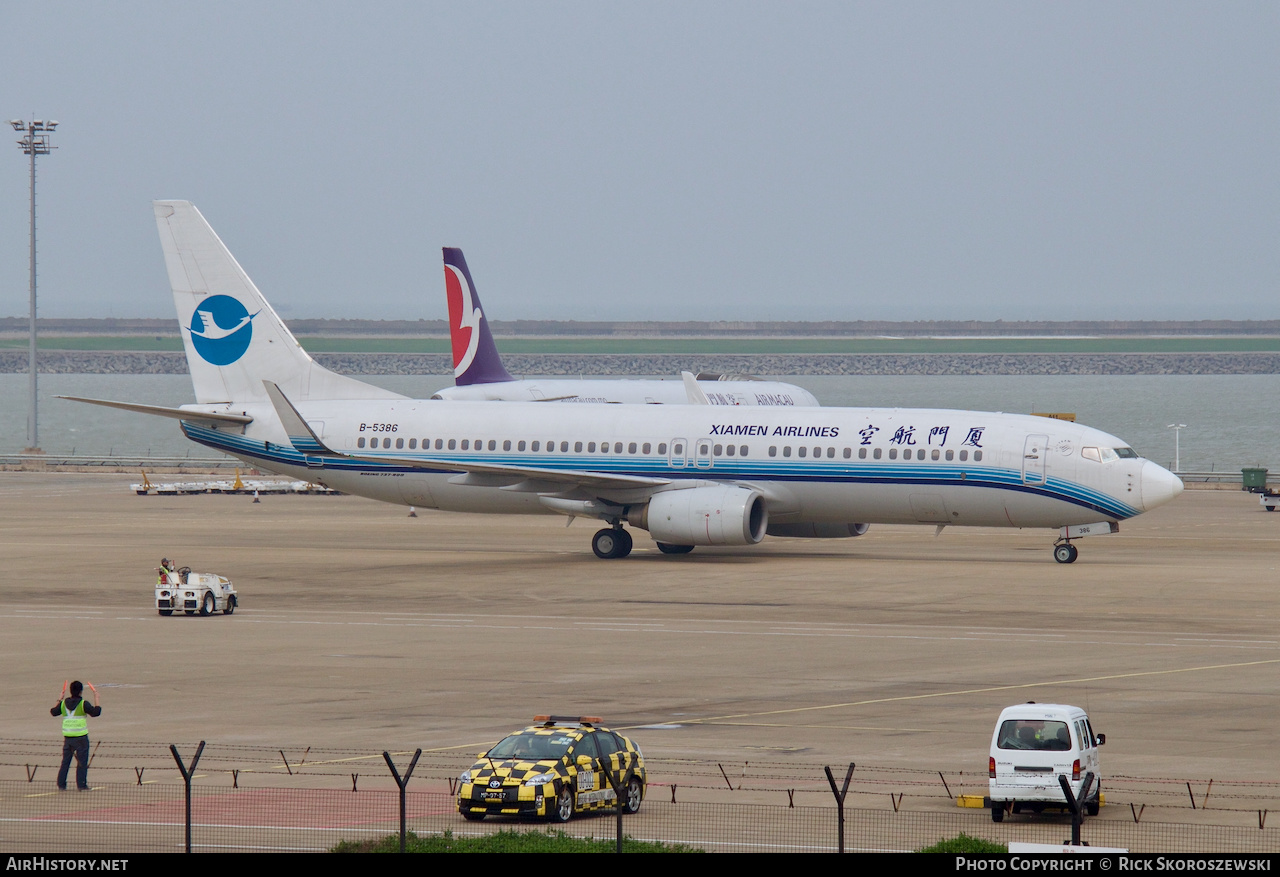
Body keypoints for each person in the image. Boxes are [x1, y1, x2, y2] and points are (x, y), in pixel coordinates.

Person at [51, 680, 101, 791]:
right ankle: (81, 785)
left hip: (68, 737)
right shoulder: (83, 703)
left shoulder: (63, 704)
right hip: (81, 737)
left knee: (65, 762)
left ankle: (61, 784)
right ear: (80, 691)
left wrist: (60, 699)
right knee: (82, 762)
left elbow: (53, 712)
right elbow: (96, 712)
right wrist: (97, 698)